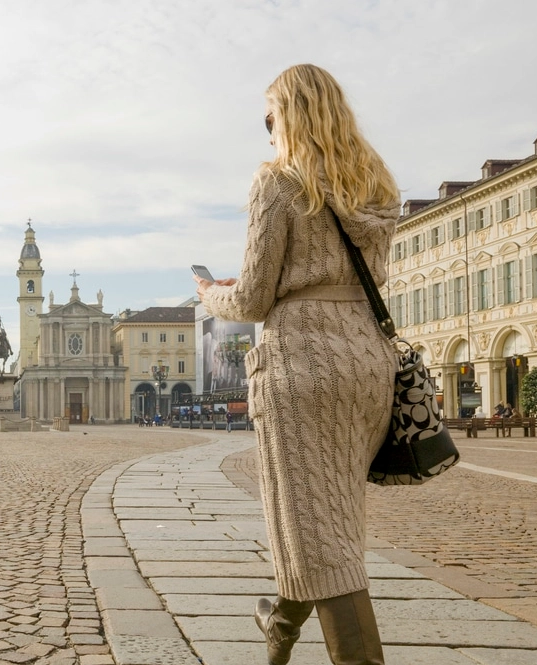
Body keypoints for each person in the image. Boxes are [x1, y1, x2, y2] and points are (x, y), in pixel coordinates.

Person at [195, 64, 399, 665]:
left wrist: (210, 293)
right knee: (329, 517)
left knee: (317, 528)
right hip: (366, 359)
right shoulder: (376, 185)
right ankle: (279, 620)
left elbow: (254, 299)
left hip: (303, 365)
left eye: (269, 117)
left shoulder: (277, 182)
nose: (267, 131)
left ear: (290, 115)